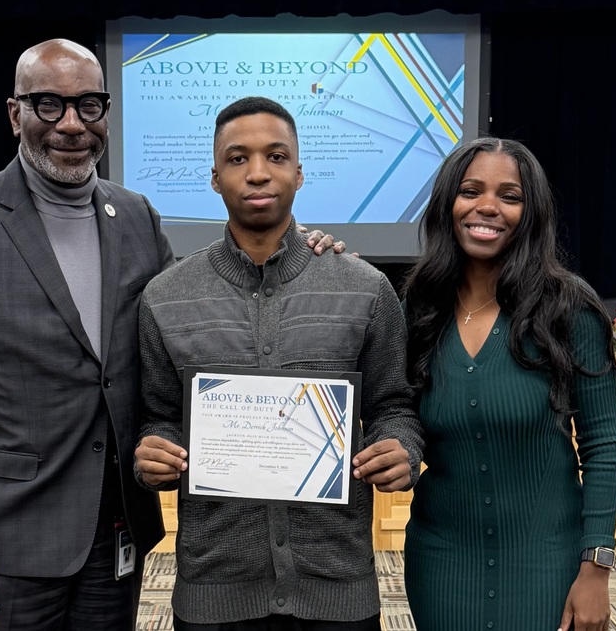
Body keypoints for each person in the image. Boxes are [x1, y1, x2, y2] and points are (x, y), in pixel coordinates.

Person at [0, 41, 337, 631]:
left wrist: (302, 251)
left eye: (89, 105)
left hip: (116, 530)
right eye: (48, 105)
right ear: (14, 114)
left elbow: (195, 315)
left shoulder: (135, 216)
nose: (72, 124)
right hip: (8, 540)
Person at [133, 96, 424, 631]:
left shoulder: (363, 287)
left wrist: (402, 448)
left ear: (300, 172)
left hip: (337, 587)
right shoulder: (164, 297)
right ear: (215, 177)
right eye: (238, 159)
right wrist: (151, 455)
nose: (259, 173)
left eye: (277, 156)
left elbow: (393, 406)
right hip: (213, 592)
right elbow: (157, 415)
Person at [401, 138, 616, 631]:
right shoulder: (419, 306)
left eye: (510, 195)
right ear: (447, 203)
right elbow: (397, 414)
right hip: (440, 562)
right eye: (470, 190)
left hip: (548, 563)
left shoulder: (570, 308)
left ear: (532, 213)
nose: (487, 206)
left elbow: (603, 449)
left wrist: (596, 570)